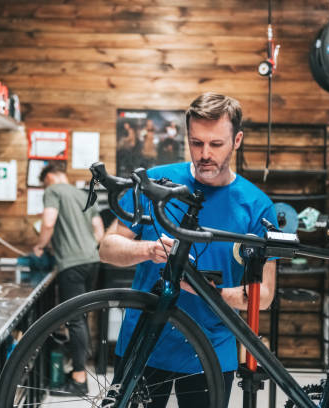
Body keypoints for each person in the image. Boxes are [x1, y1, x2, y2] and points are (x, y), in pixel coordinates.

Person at [99, 92, 277, 407]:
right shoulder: (157, 183)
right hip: (143, 343)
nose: (204, 153)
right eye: (196, 143)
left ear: (237, 140)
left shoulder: (256, 206)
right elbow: (108, 248)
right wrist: (148, 249)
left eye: (216, 144)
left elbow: (263, 296)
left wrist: (205, 291)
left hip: (209, 351)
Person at [33, 163, 104, 395]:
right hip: (92, 261)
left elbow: (49, 222)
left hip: (71, 265)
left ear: (51, 177)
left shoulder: (53, 191)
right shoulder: (83, 194)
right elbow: (99, 231)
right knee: (81, 319)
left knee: (74, 321)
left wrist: (40, 245)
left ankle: (79, 381)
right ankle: (77, 373)